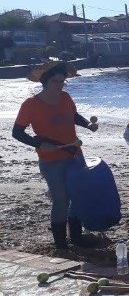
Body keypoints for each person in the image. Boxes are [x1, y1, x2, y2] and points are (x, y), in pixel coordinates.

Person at [12, 62, 100, 249]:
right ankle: (61, 245)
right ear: (45, 81)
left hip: (75, 155)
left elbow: (74, 116)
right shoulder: (31, 104)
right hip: (51, 161)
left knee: (78, 196)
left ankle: (76, 238)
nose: (60, 85)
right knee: (61, 200)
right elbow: (17, 133)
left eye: (62, 81)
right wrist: (39, 143)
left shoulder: (66, 97)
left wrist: (88, 125)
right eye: (55, 81)